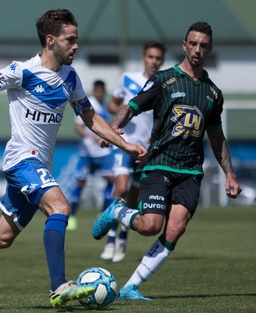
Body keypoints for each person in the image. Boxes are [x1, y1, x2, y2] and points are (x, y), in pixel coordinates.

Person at [0, 9, 147, 308]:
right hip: (21, 160)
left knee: (0, 238)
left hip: (38, 166)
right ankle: (59, 286)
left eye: (77, 39)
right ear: (51, 41)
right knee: (60, 206)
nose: (76, 46)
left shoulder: (71, 78)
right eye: (70, 40)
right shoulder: (23, 71)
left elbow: (90, 117)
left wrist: (124, 144)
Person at [93, 21, 242, 300]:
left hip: (190, 170)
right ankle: (117, 212)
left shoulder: (212, 94)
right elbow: (131, 106)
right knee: (150, 226)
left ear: (209, 49)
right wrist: (112, 130)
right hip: (160, 163)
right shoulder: (164, 80)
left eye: (204, 46)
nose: (198, 50)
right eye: (193, 44)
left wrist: (230, 175)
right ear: (185, 45)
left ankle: (131, 286)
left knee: (175, 229)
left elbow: (216, 137)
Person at [101, 41, 166, 262]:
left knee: (134, 195)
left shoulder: (163, 83)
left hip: (146, 148)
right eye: (151, 57)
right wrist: (121, 116)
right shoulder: (128, 78)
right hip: (125, 142)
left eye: (158, 58)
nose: (154, 62)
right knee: (120, 187)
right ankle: (111, 238)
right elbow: (113, 104)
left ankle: (122, 239)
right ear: (143, 58)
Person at [67, 80, 114, 230]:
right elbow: (77, 127)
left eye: (102, 91)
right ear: (94, 91)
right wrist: (91, 137)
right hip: (87, 152)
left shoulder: (107, 106)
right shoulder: (87, 104)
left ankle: (102, 214)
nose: (99, 93)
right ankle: (72, 216)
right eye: (97, 91)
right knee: (80, 183)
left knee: (111, 180)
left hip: (104, 153)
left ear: (104, 92)